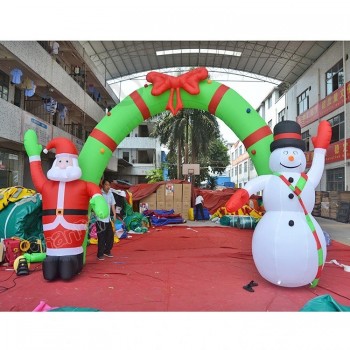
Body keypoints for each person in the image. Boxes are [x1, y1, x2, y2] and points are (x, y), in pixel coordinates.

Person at [23, 130, 109, 281]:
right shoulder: (48, 186)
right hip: (52, 239)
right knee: (49, 272)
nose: (63, 166)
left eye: (67, 162)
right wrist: (33, 155)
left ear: (74, 163)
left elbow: (94, 192)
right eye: (60, 162)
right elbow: (37, 177)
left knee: (67, 267)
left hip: (73, 238)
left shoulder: (83, 185)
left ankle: (73, 262)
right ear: (56, 163)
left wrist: (100, 203)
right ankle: (53, 259)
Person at [96, 179, 117, 260]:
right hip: (100, 220)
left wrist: (114, 214)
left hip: (108, 219)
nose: (108, 187)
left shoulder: (111, 194)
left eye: (109, 185)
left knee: (110, 237)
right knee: (101, 238)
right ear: (103, 185)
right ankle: (99, 254)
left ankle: (107, 251)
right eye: (106, 185)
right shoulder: (99, 194)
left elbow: (112, 205)